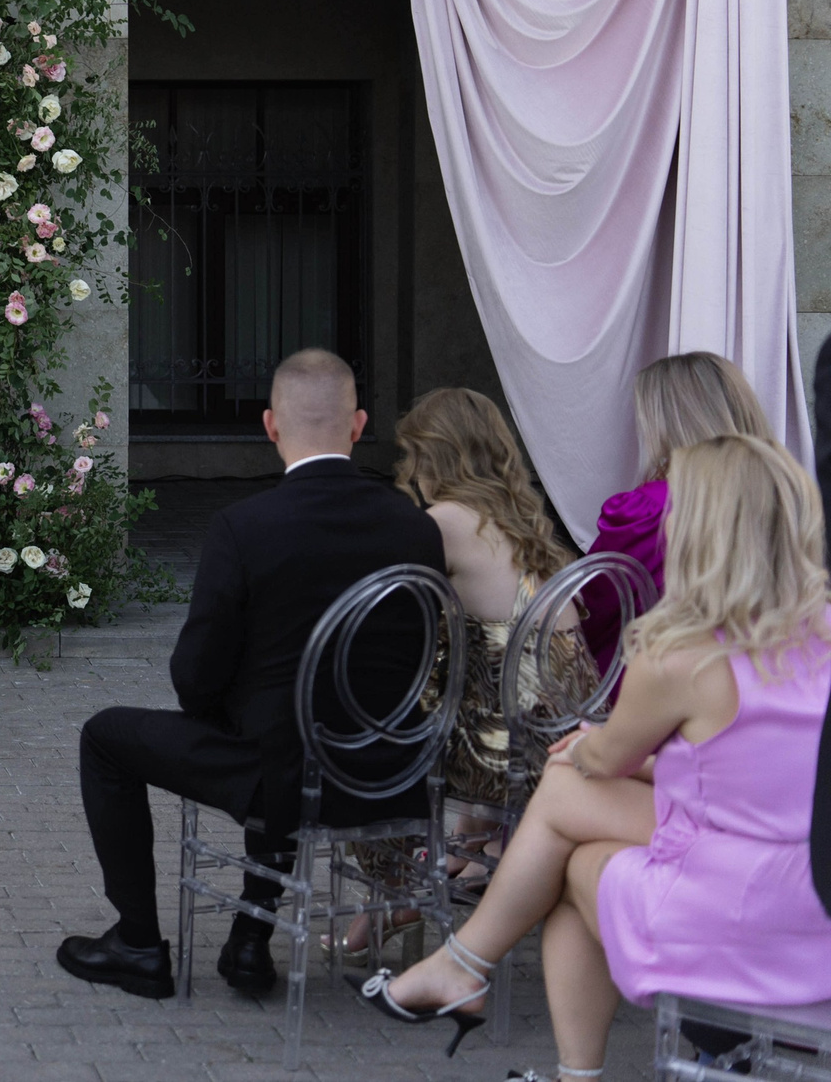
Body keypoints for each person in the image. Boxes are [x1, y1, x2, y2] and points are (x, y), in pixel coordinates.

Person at [361, 433, 831, 1081]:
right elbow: (757, 762)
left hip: (744, 911)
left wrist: (587, 745)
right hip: (813, 884)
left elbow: (604, 759)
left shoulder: (683, 657)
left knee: (567, 823)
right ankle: (473, 980)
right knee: (566, 820)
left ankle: (472, 974)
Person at [56, 348, 446, 1002]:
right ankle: (248, 937)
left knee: (109, 736)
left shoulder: (246, 526)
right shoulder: (415, 527)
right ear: (358, 425)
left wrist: (233, 712)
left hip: (285, 780)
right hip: (395, 776)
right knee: (282, 727)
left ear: (269, 426)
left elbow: (195, 675)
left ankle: (139, 941)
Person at [335, 387, 584, 963]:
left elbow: (389, 612)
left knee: (370, 734)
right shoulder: (522, 516)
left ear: (431, 457)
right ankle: (467, 847)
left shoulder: (442, 522)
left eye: (411, 458)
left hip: (509, 742)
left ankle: (402, 884)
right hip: (568, 716)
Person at [580, 351, 769, 669]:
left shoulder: (648, 509)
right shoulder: (778, 494)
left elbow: (593, 611)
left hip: (659, 687)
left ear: (668, 424)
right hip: (763, 676)